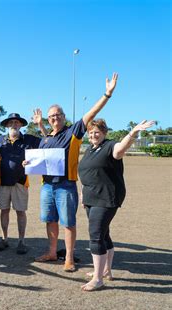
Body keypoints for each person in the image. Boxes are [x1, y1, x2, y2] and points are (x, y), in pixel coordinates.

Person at [29, 73, 119, 272]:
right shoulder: (46, 137)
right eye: (51, 116)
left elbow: (91, 114)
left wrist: (107, 94)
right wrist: (30, 160)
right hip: (46, 186)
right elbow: (46, 151)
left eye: (58, 115)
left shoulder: (73, 132)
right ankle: (52, 252)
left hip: (65, 185)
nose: (55, 118)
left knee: (68, 222)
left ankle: (69, 258)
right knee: (49, 220)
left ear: (63, 117)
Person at [78, 118, 155, 291]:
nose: (93, 135)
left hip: (106, 197)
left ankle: (98, 279)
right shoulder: (90, 149)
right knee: (104, 234)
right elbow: (87, 174)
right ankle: (106, 270)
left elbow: (121, 149)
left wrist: (132, 133)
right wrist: (83, 193)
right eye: (90, 132)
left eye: (97, 132)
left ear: (104, 133)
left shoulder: (110, 146)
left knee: (96, 234)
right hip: (91, 197)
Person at [0, 111, 45, 254]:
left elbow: (47, 142)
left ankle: (21, 241)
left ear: (21, 125)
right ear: (7, 125)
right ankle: (4, 239)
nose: (14, 124)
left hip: (20, 182)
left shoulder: (29, 139)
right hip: (2, 182)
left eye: (16, 122)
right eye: (11, 122)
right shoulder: (0, 140)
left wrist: (40, 124)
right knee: (4, 210)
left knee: (20, 212)